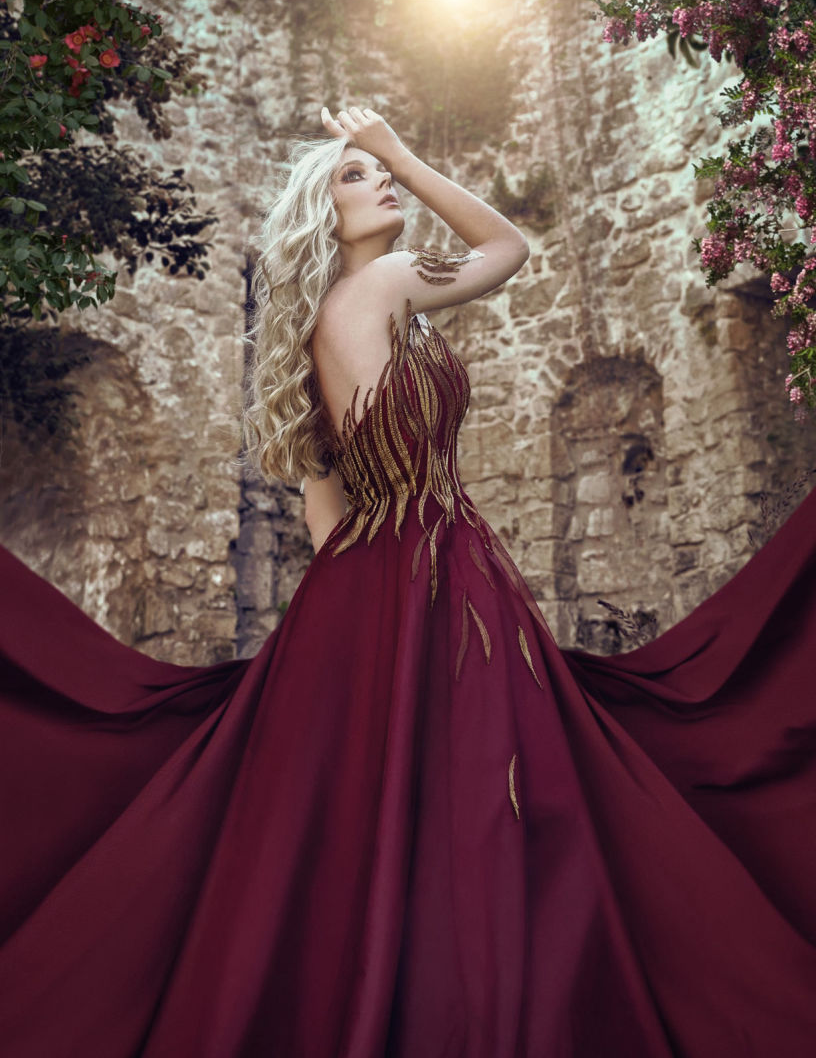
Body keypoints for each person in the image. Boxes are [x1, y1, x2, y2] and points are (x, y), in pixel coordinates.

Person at [1, 106, 815, 1058]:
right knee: (477, 796)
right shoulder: (389, 280)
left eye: (377, 173)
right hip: (437, 563)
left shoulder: (310, 334)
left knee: (352, 805)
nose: (378, 184)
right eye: (354, 178)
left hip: (366, 582)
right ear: (321, 214)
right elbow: (508, 245)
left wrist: (349, 626)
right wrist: (404, 152)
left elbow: (323, 512)